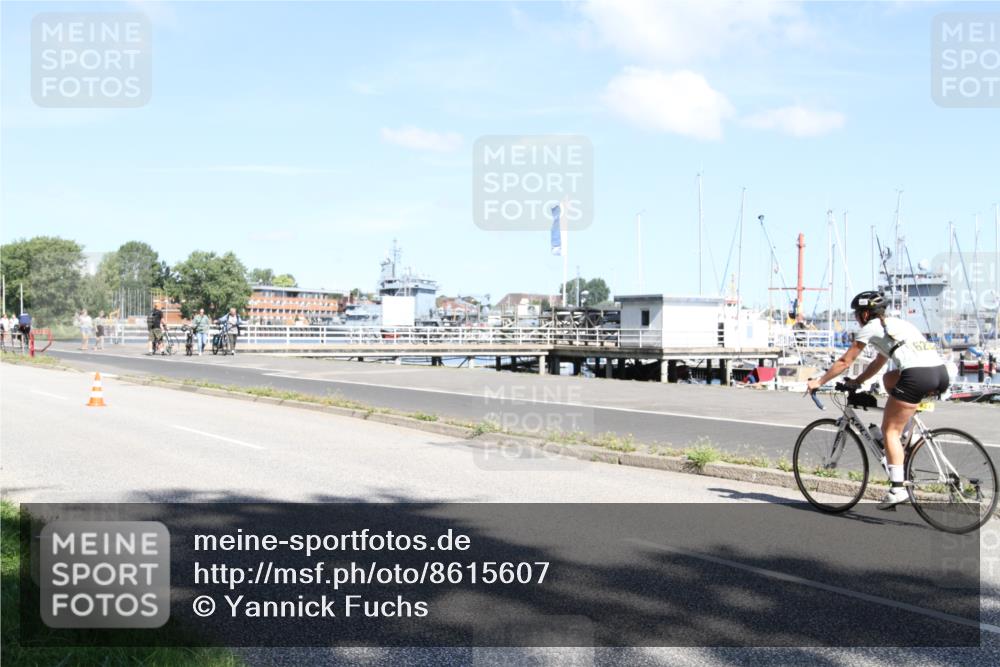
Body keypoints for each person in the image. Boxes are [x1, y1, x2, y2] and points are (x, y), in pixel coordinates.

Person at [806, 291, 950, 509]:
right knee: (888, 379)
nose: (856, 318)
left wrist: (819, 380)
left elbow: (845, 360)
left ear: (865, 314)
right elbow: (879, 362)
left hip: (916, 376)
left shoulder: (871, 328)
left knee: (889, 430)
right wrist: (857, 380)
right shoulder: (896, 325)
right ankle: (907, 437)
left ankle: (897, 489)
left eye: (856, 314)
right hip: (939, 374)